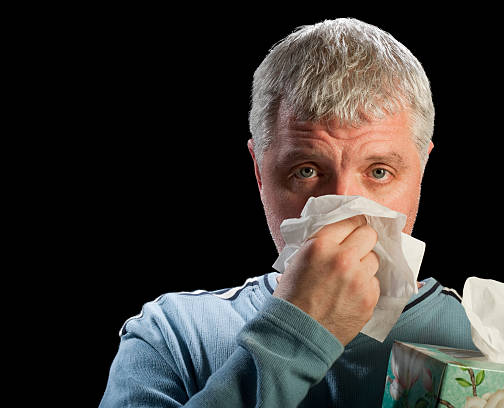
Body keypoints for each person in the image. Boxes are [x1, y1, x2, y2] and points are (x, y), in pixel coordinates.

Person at [99, 18, 476, 407]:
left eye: (379, 171)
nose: (344, 209)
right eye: (307, 171)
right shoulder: (174, 337)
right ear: (260, 173)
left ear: (421, 171)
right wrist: (297, 334)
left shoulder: (492, 342)